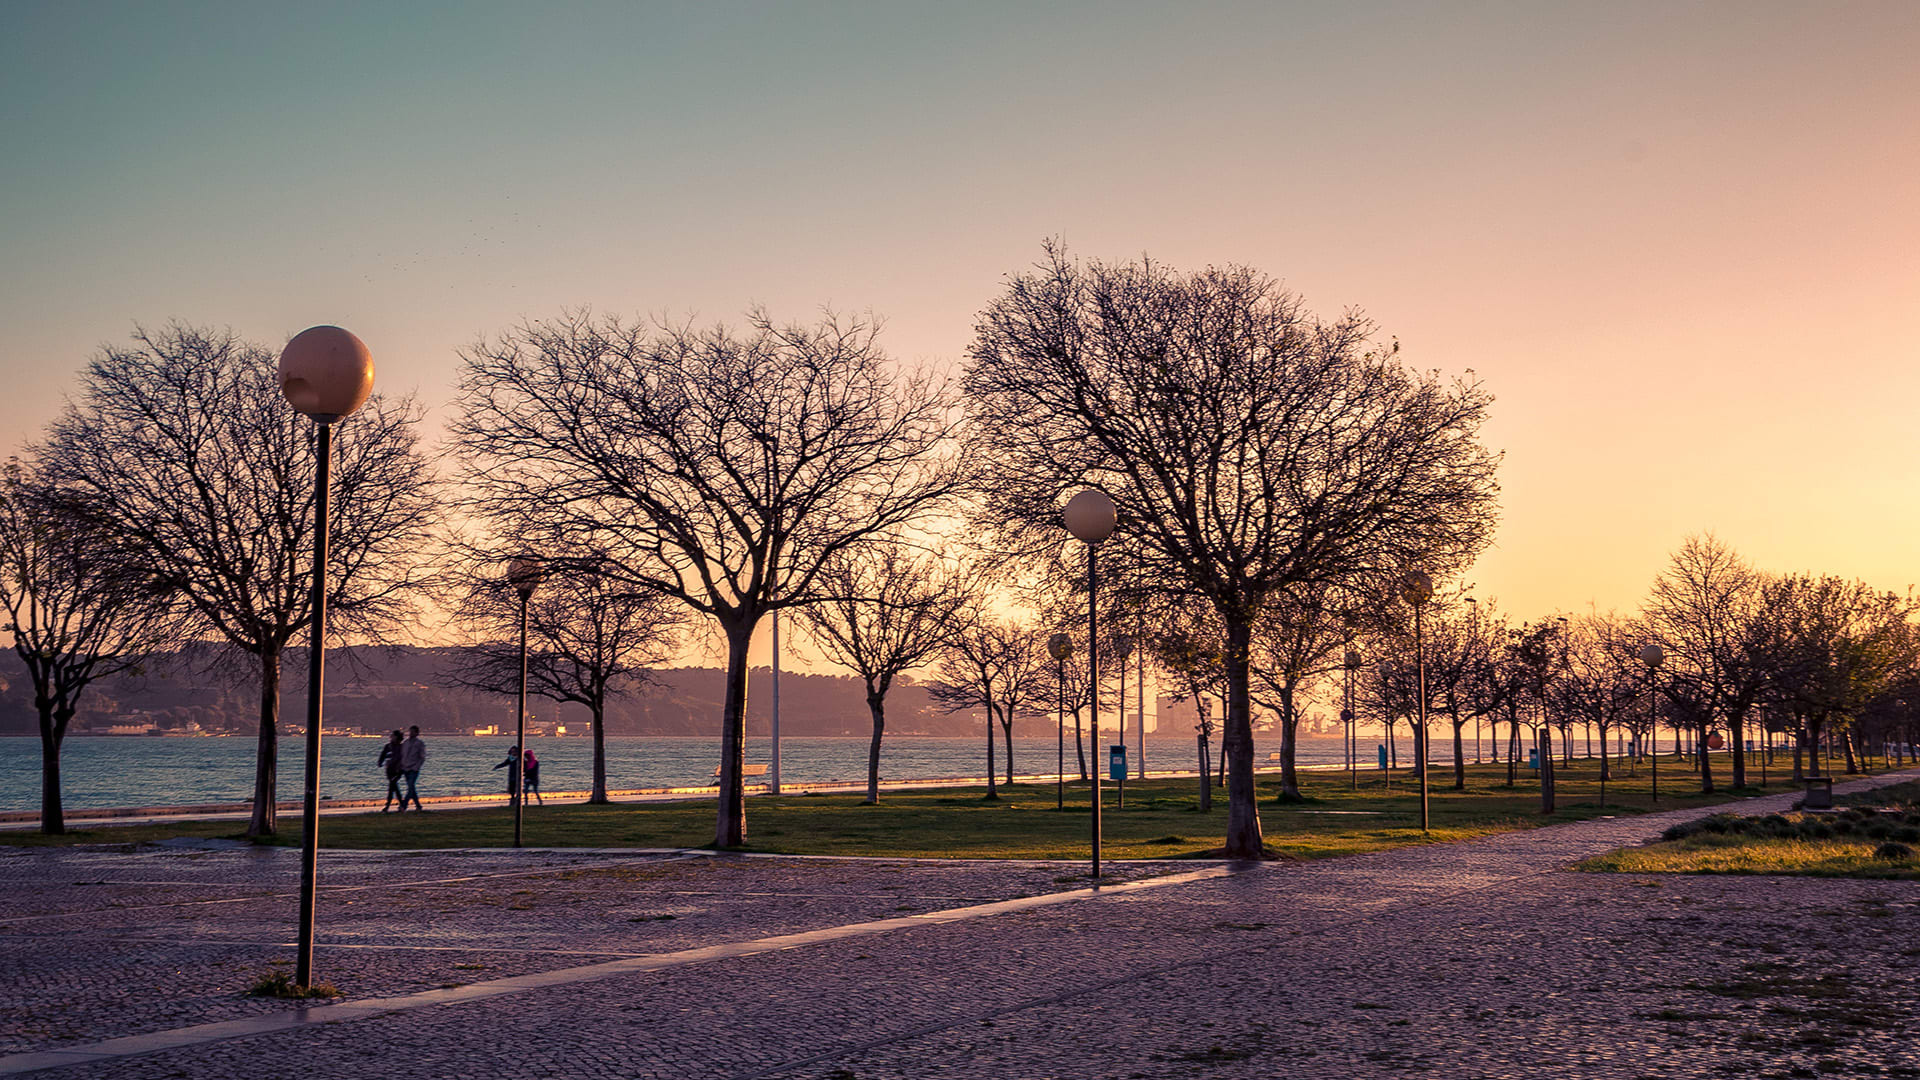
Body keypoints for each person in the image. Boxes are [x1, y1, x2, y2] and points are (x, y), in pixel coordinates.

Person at [398, 725, 427, 811]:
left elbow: (422, 757)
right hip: (405, 768)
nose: (411, 733)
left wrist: (416, 767)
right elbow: (402, 755)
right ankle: (418, 806)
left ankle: (404, 805)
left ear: (417, 733)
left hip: (414, 768)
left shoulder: (419, 744)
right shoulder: (405, 743)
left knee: (410, 787)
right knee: (411, 788)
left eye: (413, 732)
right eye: (410, 731)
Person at [376, 730, 405, 811]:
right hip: (389, 769)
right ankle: (401, 804)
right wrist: (380, 762)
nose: (390, 737)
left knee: (392, 786)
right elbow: (383, 755)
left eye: (392, 736)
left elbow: (403, 758)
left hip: (398, 770)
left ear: (396, 737)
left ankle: (388, 805)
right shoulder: (388, 746)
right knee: (394, 786)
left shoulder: (401, 747)